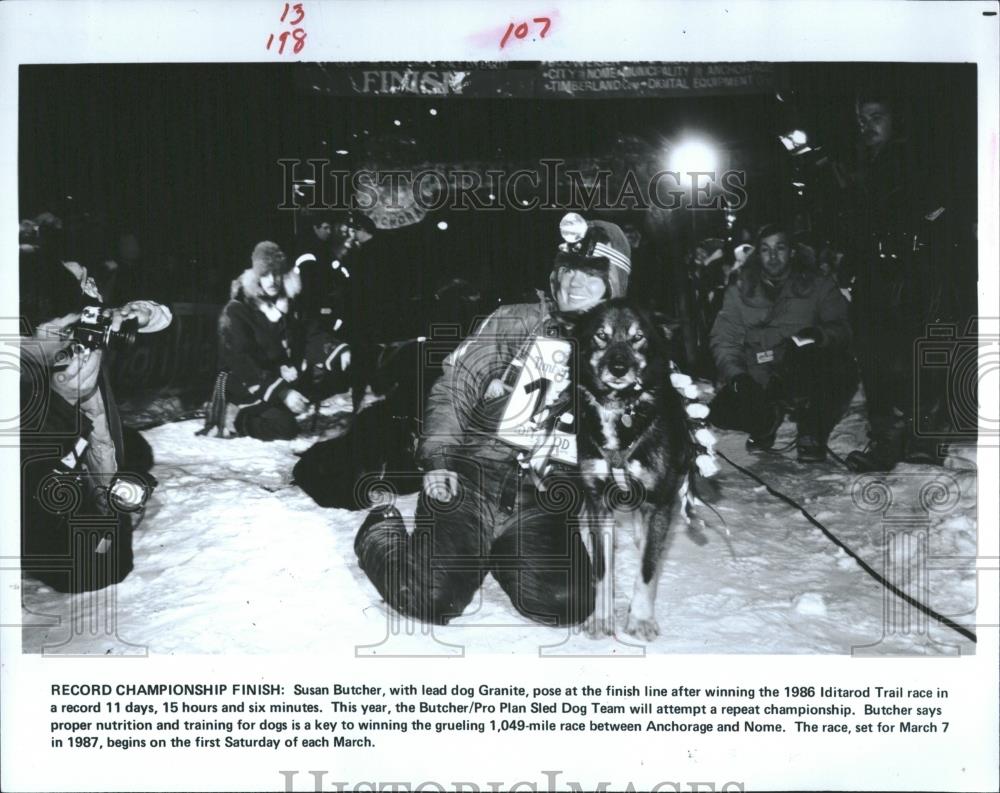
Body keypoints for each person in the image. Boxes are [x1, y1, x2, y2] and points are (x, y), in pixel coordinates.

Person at [353, 214, 634, 627]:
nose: (575, 283)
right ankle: (379, 531)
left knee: (567, 603)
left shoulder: (626, 355)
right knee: (431, 598)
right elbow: (455, 386)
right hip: (472, 479)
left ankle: (502, 553)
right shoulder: (517, 319)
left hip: (542, 497)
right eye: (569, 270)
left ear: (613, 286)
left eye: (592, 277)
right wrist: (440, 460)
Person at [20, 233, 172, 592]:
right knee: (92, 561)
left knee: (131, 460)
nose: (74, 341)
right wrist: (60, 402)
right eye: (64, 330)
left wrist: (142, 313)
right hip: (45, 487)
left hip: (89, 443)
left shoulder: (68, 315)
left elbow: (158, 320)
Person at [835, 93, 962, 471]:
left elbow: (943, 208)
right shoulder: (859, 165)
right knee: (876, 358)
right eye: (861, 119)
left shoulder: (918, 159)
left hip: (915, 273)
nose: (867, 126)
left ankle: (923, 436)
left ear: (896, 120)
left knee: (918, 354)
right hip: (874, 275)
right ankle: (886, 439)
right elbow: (857, 223)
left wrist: (920, 240)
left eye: (876, 116)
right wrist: (850, 263)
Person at [708, 223, 856, 462]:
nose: (773, 256)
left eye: (780, 248)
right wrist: (738, 378)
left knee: (841, 370)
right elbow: (724, 339)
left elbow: (844, 325)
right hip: (760, 374)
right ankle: (766, 422)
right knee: (720, 412)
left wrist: (819, 335)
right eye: (766, 250)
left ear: (792, 252)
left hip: (803, 367)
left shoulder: (818, 285)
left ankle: (812, 431)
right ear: (758, 254)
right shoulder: (740, 288)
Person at [202, 241, 350, 441]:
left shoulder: (291, 306)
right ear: (256, 278)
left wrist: (338, 351)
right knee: (285, 428)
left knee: (319, 388)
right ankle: (234, 417)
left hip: (276, 377)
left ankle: (276, 406)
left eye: (277, 273)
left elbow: (310, 335)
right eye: (265, 275)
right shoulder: (237, 310)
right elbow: (242, 361)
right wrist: (283, 392)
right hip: (244, 382)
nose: (272, 281)